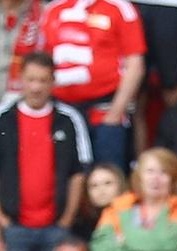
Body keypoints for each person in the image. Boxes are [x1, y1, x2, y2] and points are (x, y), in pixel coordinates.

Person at [0, 53, 92, 251]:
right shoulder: (1, 117)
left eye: (43, 80)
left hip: (55, 227)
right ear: (21, 80)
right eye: (31, 80)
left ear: (53, 82)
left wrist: (67, 218)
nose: (36, 87)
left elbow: (79, 173)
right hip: (12, 226)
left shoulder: (69, 119)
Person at [40, 0, 145, 166]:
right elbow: (41, 64)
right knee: (64, 175)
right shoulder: (52, 10)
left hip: (105, 111)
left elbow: (135, 65)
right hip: (62, 112)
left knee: (108, 177)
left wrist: (116, 113)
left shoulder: (120, 8)